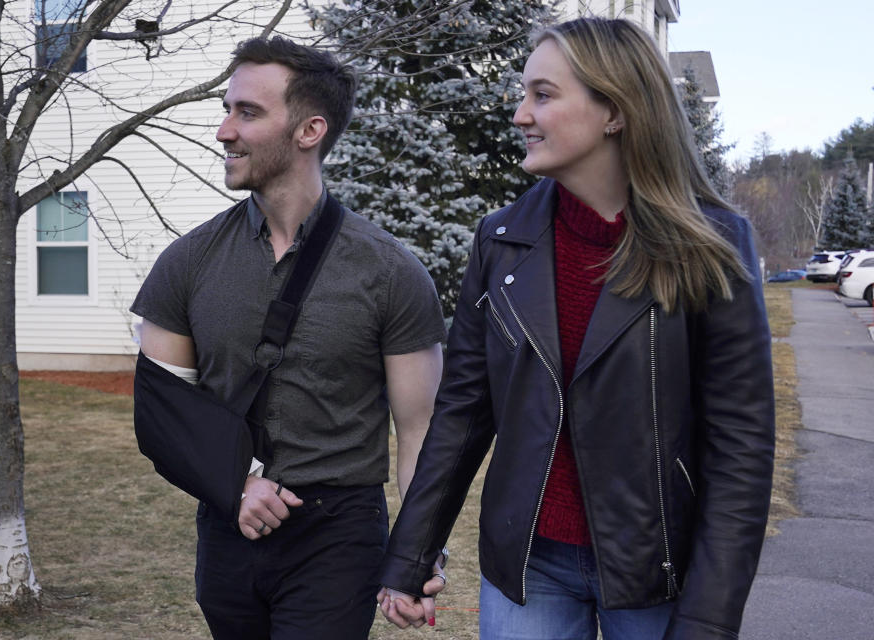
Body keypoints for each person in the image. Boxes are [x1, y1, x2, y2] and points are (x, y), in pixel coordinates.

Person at [376, 17, 775, 640]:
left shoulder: (713, 245)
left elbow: (741, 452)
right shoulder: (502, 240)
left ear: (613, 110)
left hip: (656, 570)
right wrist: (408, 559)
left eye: (542, 94)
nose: (519, 115)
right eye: (522, 93)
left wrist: (708, 619)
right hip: (529, 567)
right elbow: (461, 412)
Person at [130, 36, 447, 640]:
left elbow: (420, 429)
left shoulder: (390, 272)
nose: (224, 131)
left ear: (309, 131)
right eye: (227, 110)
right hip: (228, 526)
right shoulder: (187, 262)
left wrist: (419, 553)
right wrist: (237, 485)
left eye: (247, 113)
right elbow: (163, 411)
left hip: (339, 533)